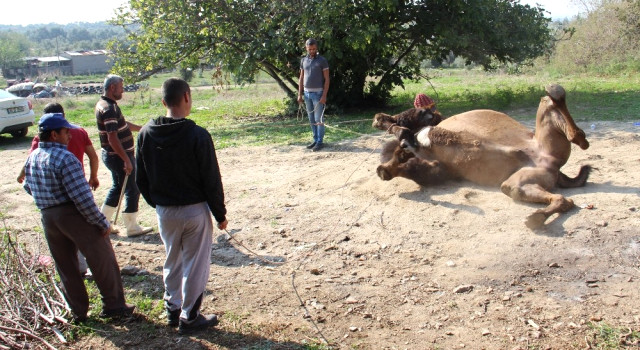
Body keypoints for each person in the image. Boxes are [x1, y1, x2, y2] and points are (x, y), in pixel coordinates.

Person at [136, 78, 228, 335]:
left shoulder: (145, 133)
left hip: (165, 211)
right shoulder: (197, 135)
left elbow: (140, 178)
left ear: (164, 102)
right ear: (187, 97)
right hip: (193, 210)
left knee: (172, 260)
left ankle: (173, 308)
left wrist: (158, 203)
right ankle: (190, 316)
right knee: (195, 264)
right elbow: (211, 178)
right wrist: (219, 213)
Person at [22, 113, 134, 322]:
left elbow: (27, 186)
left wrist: (48, 198)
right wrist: (101, 222)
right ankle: (114, 305)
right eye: (66, 132)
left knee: (66, 266)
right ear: (54, 135)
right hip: (72, 213)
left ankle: (78, 311)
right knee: (103, 258)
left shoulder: (32, 157)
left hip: (48, 217)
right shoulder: (65, 158)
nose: (69, 136)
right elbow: (81, 197)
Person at [17, 103, 100, 277]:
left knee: (66, 238)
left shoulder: (41, 140)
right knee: (86, 230)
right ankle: (92, 267)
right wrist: (93, 176)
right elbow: (93, 155)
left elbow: (30, 163)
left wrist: (23, 177)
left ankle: (79, 270)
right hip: (78, 186)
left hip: (54, 197)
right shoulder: (79, 131)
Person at [95, 74, 152, 237]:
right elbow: (112, 137)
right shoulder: (109, 108)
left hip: (112, 155)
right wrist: (126, 160)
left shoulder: (104, 104)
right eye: (121, 86)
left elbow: (121, 125)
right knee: (133, 188)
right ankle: (132, 226)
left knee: (118, 187)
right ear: (112, 88)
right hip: (118, 156)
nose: (123, 90)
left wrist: (142, 128)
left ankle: (104, 222)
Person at [297, 38, 330, 152]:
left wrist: (324, 95)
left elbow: (327, 79)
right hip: (306, 93)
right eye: (310, 49)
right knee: (311, 119)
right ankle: (315, 139)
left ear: (317, 48)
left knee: (318, 118)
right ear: (306, 48)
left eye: (314, 49)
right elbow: (301, 78)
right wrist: (299, 94)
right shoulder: (303, 60)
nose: (312, 51)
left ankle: (320, 142)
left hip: (318, 93)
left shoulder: (322, 60)